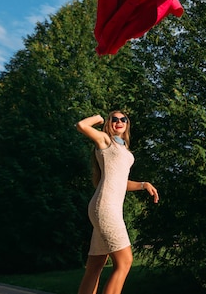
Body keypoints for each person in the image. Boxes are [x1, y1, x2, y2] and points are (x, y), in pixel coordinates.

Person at [76, 111, 159, 294]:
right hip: (106, 208)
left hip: (106, 207)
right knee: (125, 261)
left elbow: (121, 181)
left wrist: (144, 185)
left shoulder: (124, 149)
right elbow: (82, 126)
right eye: (115, 119)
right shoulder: (106, 140)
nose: (119, 122)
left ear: (127, 124)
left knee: (95, 266)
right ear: (109, 123)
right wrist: (98, 118)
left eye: (123, 119)